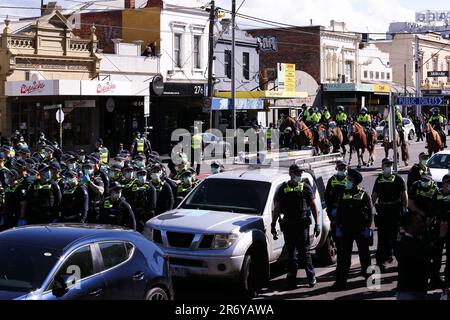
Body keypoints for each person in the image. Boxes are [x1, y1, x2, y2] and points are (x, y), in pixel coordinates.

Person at [271, 164, 319, 289]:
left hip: (302, 224)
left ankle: (311, 277)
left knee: (305, 252)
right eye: (297, 173)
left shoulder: (305, 187)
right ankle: (291, 279)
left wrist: (317, 224)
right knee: (291, 254)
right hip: (288, 225)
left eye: (300, 173)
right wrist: (273, 224)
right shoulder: (283, 188)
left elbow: (313, 206)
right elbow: (277, 208)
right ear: (290, 174)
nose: (299, 175)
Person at [331, 169, 373, 291]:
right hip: (346, 230)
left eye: (349, 179)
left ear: (354, 182)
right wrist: (338, 225)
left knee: (365, 256)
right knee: (344, 258)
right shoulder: (343, 193)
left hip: (360, 229)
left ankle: (369, 278)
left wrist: (368, 227)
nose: (347, 181)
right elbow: (339, 211)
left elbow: (370, 212)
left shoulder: (363, 194)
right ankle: (340, 282)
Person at [372, 158, 408, 272]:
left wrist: (405, 210)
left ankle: (401, 261)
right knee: (382, 238)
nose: (389, 166)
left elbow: (404, 195)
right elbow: (374, 195)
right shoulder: (379, 179)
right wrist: (372, 207)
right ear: (382, 167)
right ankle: (381, 261)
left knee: (397, 237)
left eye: (390, 165)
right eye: (387, 165)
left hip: (396, 211)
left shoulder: (398, 179)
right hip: (383, 211)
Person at [395, 210, 428, 300]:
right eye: (418, 222)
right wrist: (440, 237)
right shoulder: (406, 243)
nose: (422, 224)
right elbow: (426, 256)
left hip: (419, 290)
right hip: (408, 293)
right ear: (409, 226)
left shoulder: (416, 240)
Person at [429, 173, 450, 290]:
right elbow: (431, 211)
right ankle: (434, 279)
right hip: (438, 228)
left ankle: (447, 280)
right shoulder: (437, 194)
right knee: (436, 256)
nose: (448, 185)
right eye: (447, 183)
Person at [324, 160, 348, 242]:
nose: (342, 169)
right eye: (340, 167)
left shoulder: (350, 179)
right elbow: (326, 196)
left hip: (347, 210)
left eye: (344, 167)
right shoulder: (332, 180)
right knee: (336, 235)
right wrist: (330, 209)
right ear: (337, 168)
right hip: (335, 210)